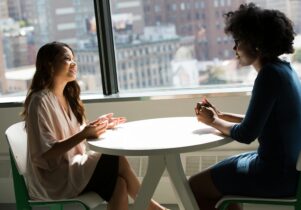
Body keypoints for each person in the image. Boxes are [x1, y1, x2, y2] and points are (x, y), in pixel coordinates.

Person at [22, 41, 168, 210]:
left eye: (73, 58)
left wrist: (99, 126)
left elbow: (75, 133)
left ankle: (153, 207)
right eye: (67, 59)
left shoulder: (67, 97)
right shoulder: (40, 101)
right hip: (54, 180)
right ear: (49, 64)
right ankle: (154, 208)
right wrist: (84, 134)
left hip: (72, 169)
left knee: (119, 183)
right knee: (116, 158)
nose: (74, 63)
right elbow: (45, 153)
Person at [189, 3, 301, 210]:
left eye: (238, 41)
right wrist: (222, 116)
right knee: (220, 178)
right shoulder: (285, 70)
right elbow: (266, 120)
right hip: (288, 172)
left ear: (255, 44)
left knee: (194, 186)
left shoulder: (269, 76)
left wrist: (212, 121)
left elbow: (246, 134)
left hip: (274, 176)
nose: (234, 48)